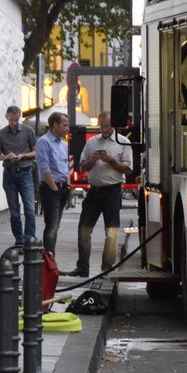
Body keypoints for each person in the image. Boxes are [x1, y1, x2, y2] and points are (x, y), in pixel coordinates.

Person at [65, 111, 133, 277]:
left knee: (112, 232)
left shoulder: (123, 142)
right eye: (101, 126)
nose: (103, 129)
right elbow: (81, 167)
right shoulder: (92, 142)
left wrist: (111, 160)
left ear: (113, 125)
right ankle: (82, 267)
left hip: (113, 191)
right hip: (94, 191)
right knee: (84, 229)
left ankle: (107, 268)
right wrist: (92, 160)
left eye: (107, 126)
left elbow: (128, 170)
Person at [0, 106, 38, 244]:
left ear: (20, 117)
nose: (14, 122)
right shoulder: (1, 133)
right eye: (11, 120)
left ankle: (29, 239)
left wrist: (23, 156)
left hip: (25, 173)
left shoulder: (27, 131)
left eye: (16, 120)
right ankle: (19, 240)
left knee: (29, 209)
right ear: (6, 117)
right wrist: (7, 156)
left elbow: (36, 151)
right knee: (14, 211)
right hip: (9, 174)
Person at [36, 111, 72, 254]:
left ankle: (51, 259)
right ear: (55, 125)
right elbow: (44, 167)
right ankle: (49, 260)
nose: (67, 128)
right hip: (51, 188)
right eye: (65, 125)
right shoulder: (44, 141)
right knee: (51, 226)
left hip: (63, 187)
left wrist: (68, 185)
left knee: (56, 226)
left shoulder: (62, 144)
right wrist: (54, 189)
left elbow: (65, 166)